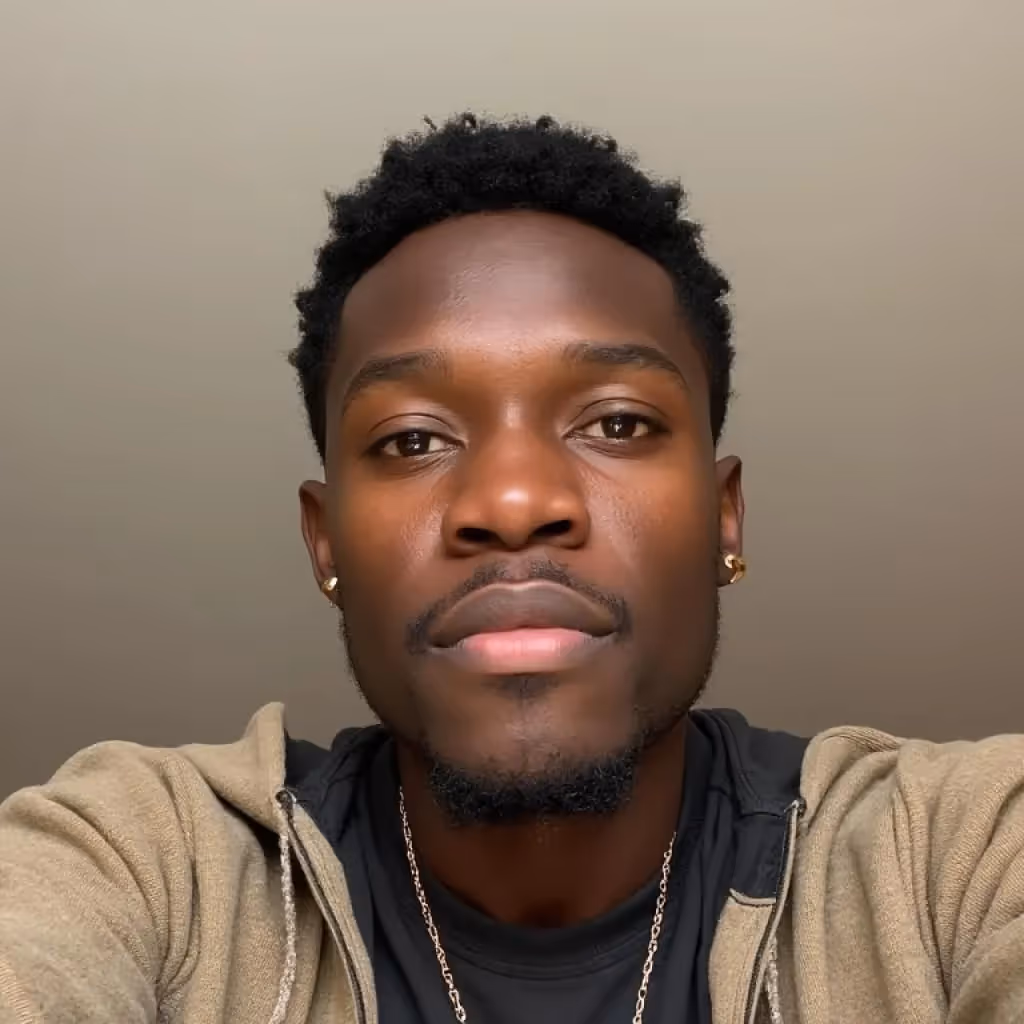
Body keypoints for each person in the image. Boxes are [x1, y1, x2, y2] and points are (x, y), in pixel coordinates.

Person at [1, 113, 1022, 1024]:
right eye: (411, 439)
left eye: (617, 421)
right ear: (326, 543)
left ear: (722, 519)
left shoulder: (951, 858)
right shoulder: (146, 861)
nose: (513, 500)